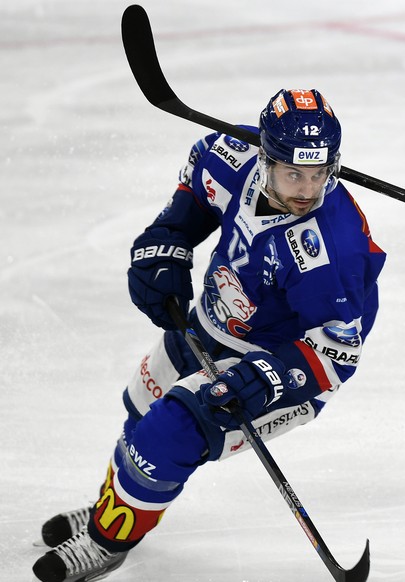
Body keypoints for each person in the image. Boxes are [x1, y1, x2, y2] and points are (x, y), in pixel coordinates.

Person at [32, 88, 386, 582]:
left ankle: (106, 540)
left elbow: (337, 354)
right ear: (265, 158)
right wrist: (166, 242)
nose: (307, 189)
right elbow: (195, 199)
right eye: (293, 174)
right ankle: (116, 512)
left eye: (319, 174)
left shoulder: (332, 248)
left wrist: (265, 380)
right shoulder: (232, 153)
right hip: (215, 318)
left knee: (168, 432)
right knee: (141, 404)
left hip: (278, 360)